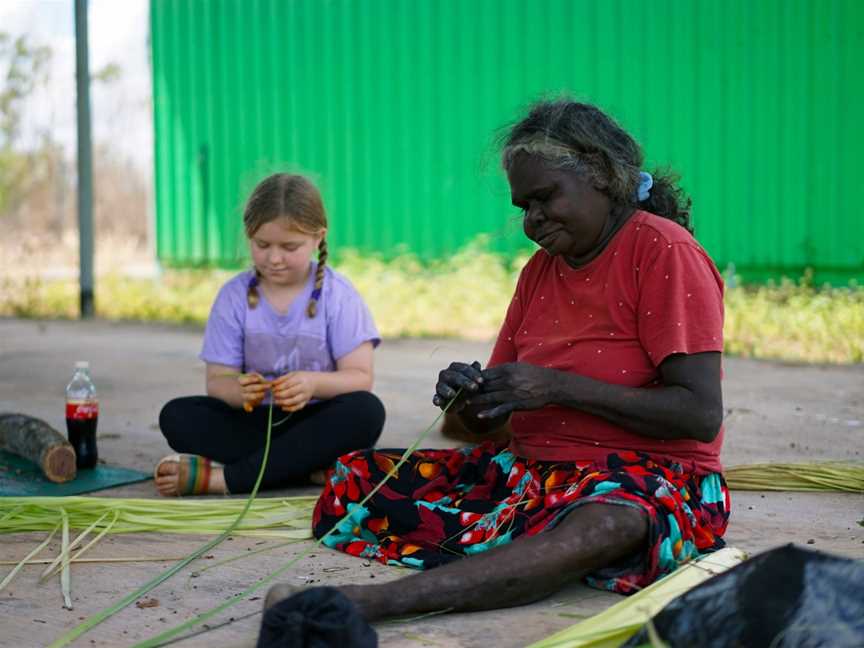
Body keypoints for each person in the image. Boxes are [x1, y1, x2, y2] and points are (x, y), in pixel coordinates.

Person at [155, 173, 385, 496]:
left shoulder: (339, 295)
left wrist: (313, 383)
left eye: (290, 247)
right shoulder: (233, 297)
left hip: (316, 421)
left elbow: (360, 377)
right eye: (262, 245)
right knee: (177, 416)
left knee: (366, 411)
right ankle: (304, 468)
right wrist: (240, 391)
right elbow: (218, 381)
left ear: (318, 238)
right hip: (257, 423)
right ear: (249, 236)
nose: (274, 258)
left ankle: (224, 480)